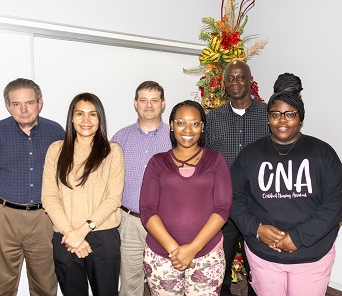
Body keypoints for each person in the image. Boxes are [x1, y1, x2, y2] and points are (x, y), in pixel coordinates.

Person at [230, 73, 342, 296]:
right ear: (268, 118)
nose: (282, 120)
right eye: (275, 114)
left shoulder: (323, 153)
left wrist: (299, 237)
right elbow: (234, 198)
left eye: (290, 114)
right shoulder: (249, 155)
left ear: (300, 118)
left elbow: (336, 203)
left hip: (311, 255)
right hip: (263, 255)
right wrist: (256, 228)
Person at [0, 78, 64, 296]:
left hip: (44, 217)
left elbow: (64, 171)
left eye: (30, 103)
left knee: (45, 283)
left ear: (40, 103)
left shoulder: (56, 132)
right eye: (16, 104)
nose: (24, 110)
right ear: (8, 106)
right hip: (2, 218)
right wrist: (4, 201)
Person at [140, 100, 232, 295]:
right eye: (181, 122)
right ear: (171, 125)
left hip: (207, 255)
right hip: (162, 255)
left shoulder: (215, 160)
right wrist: (175, 250)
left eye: (195, 123)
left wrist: (192, 249)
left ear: (202, 126)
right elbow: (148, 210)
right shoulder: (157, 162)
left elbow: (222, 209)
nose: (187, 129)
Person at [42, 92, 125, 296]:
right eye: (80, 114)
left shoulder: (112, 151)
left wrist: (83, 231)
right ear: (72, 117)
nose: (86, 120)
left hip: (102, 237)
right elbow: (49, 197)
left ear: (100, 119)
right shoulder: (56, 150)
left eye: (92, 114)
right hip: (65, 237)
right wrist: (72, 233)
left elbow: (113, 198)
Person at [205, 60, 269, 296]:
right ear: (224, 83)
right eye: (230, 78)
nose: (235, 82)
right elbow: (206, 161)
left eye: (240, 77)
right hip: (224, 207)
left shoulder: (267, 115)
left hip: (259, 205)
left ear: (250, 81)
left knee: (260, 270)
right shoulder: (213, 118)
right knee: (219, 268)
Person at [111, 81, 171, 296]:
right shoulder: (120, 138)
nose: (148, 105)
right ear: (135, 103)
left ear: (163, 104)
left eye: (154, 100)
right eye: (143, 100)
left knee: (166, 281)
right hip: (130, 222)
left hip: (167, 223)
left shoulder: (175, 137)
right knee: (130, 283)